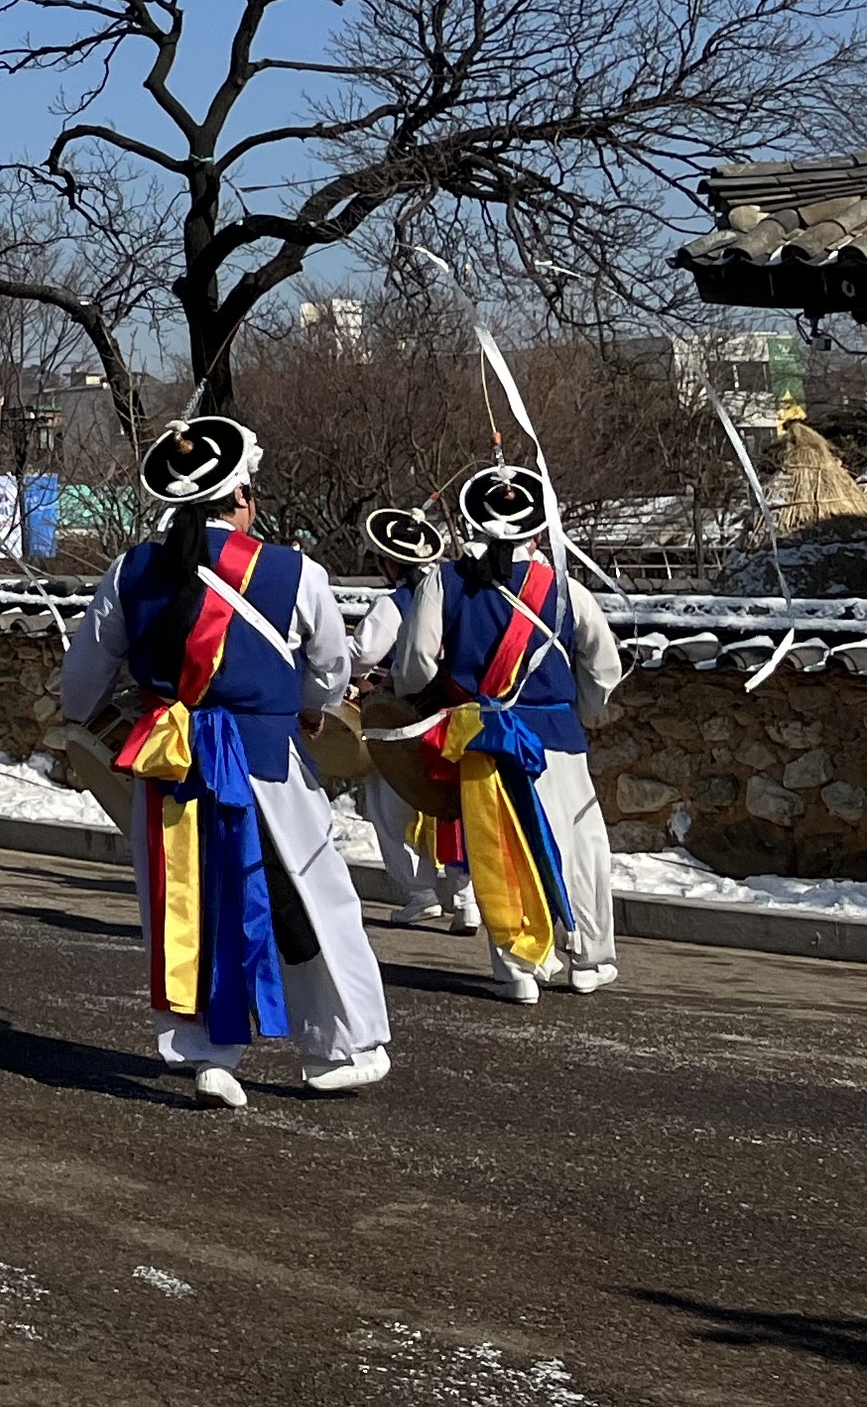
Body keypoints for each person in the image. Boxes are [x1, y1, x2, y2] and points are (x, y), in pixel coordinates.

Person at [55, 415, 392, 1109]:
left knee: (188, 903)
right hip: (266, 761)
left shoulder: (130, 571)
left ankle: (209, 1054)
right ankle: (336, 1048)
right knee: (308, 896)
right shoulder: (295, 571)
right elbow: (327, 675)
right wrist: (295, 702)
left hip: (171, 760)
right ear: (241, 496)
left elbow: (81, 686)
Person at [395, 461, 624, 1004]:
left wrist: (429, 700)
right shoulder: (568, 590)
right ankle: (587, 958)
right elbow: (604, 665)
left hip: (485, 736)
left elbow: (416, 666)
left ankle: (518, 965)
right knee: (579, 846)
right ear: (539, 527)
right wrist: (581, 709)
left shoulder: (444, 583)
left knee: (499, 847)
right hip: (557, 736)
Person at [349, 504, 473, 932]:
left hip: (407, 715)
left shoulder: (397, 602)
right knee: (452, 802)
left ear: (389, 562)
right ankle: (465, 895)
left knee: (389, 804)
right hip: (454, 713)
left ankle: (420, 891)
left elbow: (361, 654)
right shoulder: (459, 595)